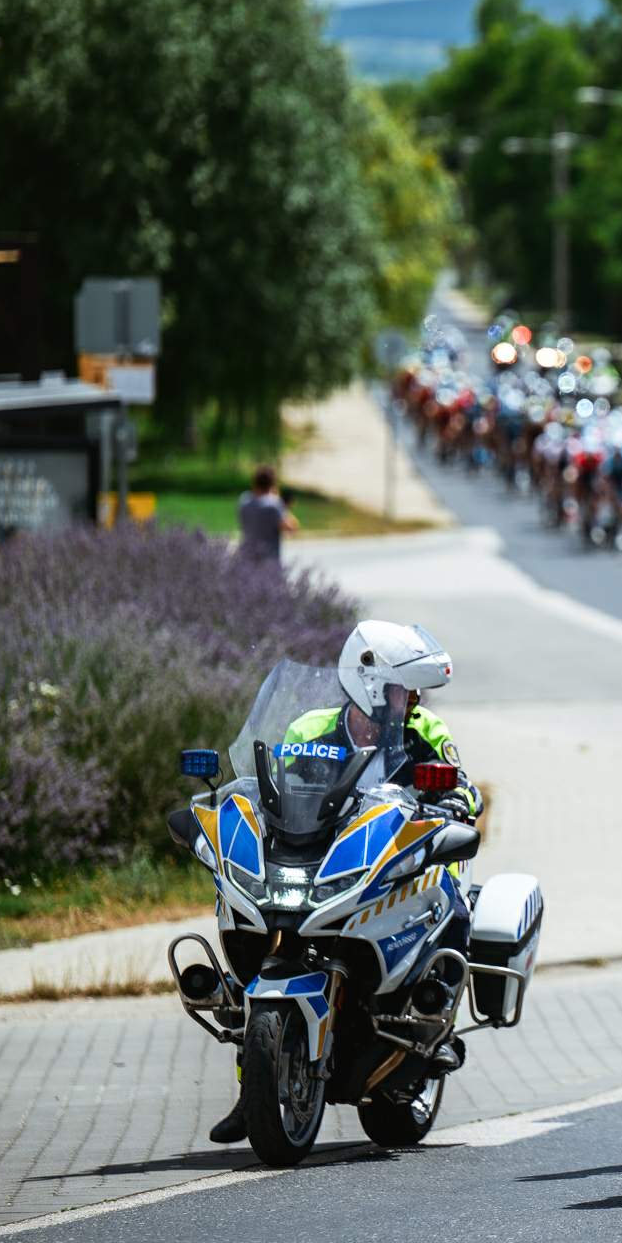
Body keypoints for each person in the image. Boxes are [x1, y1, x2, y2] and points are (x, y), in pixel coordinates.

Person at [209, 620, 480, 1146]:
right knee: (260, 931)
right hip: (323, 862)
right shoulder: (309, 729)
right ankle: (252, 1089)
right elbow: (270, 790)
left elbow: (465, 791)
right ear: (371, 685)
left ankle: (434, 1023)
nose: (414, 700)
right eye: (404, 690)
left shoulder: (426, 731)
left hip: (401, 862)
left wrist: (453, 801)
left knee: (453, 904)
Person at [237, 465, 298, 563]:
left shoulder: (244, 500)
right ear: (272, 484)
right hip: (268, 560)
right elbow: (291, 528)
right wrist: (283, 506)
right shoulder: (273, 504)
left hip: (246, 557)